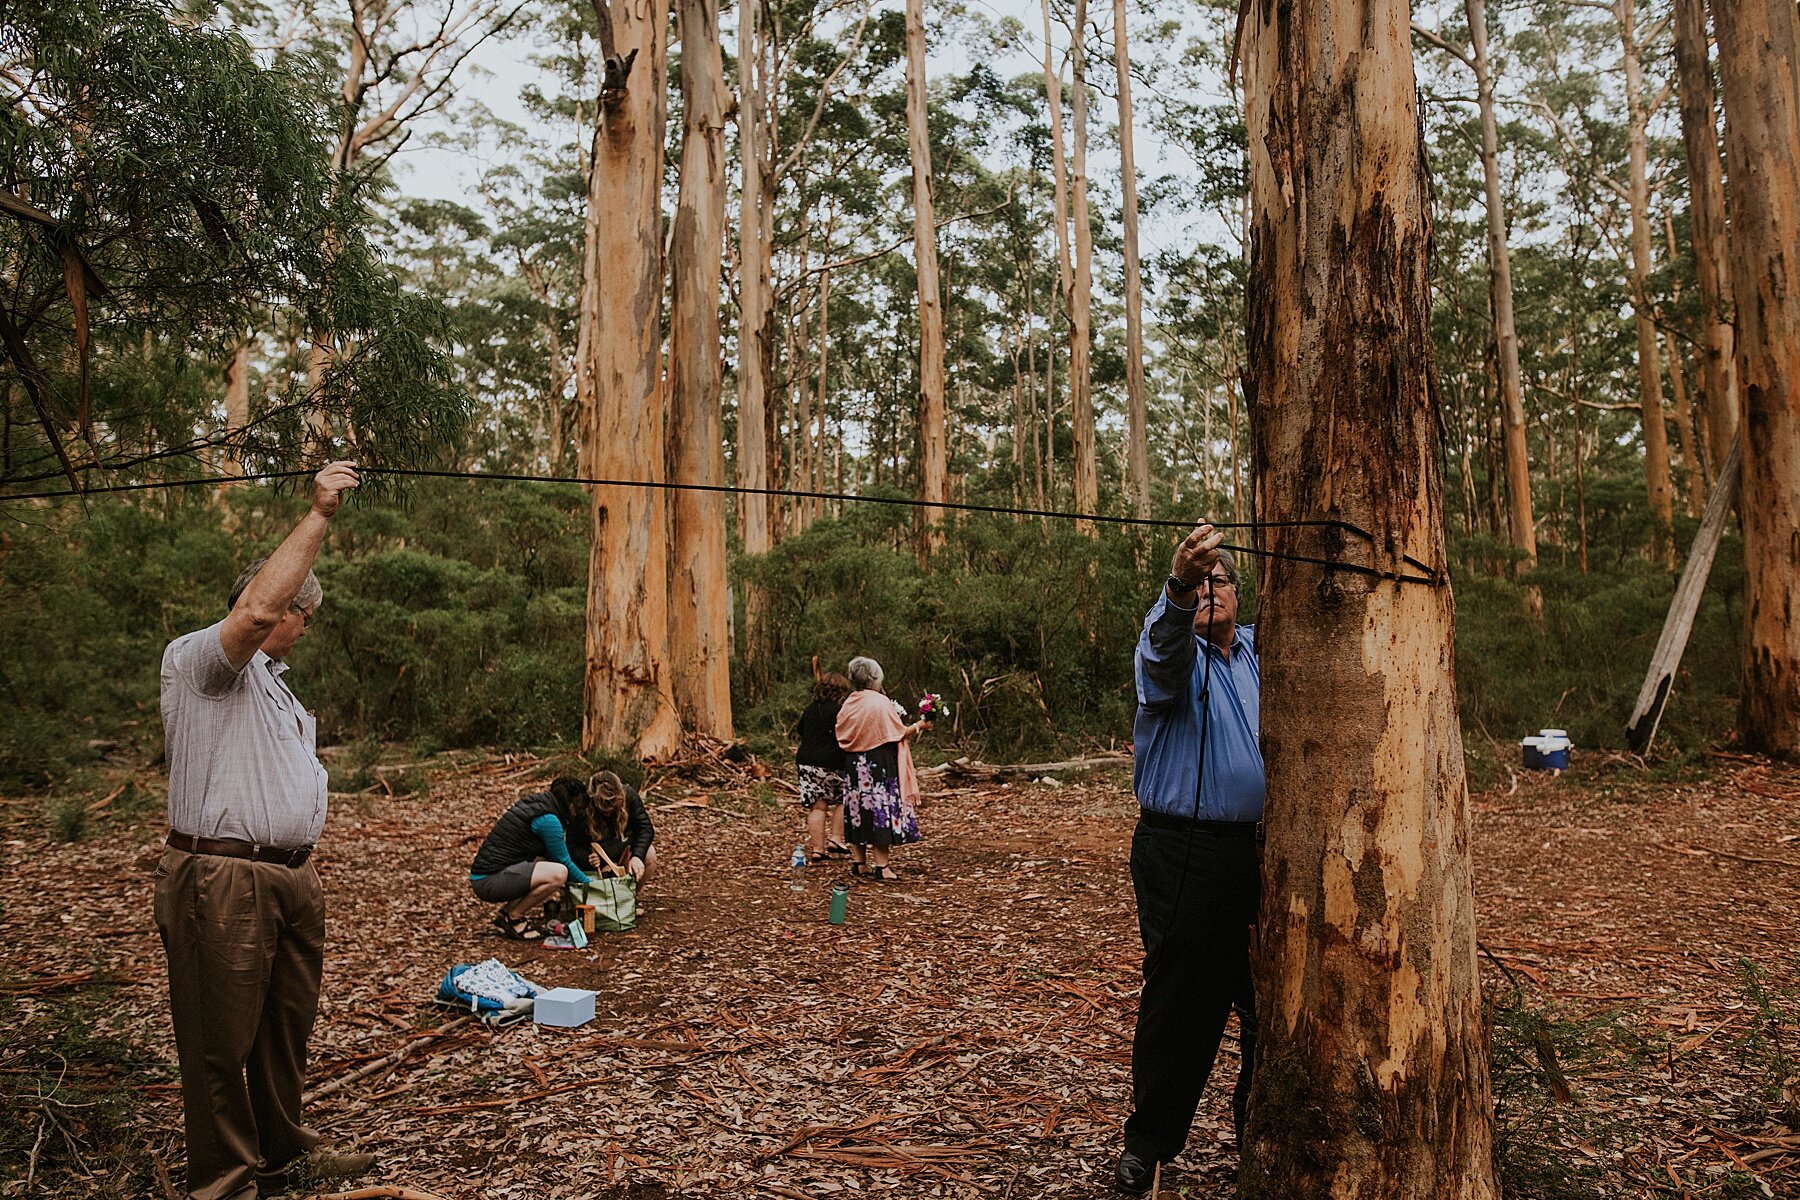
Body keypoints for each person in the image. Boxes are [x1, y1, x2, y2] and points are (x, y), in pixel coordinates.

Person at [154, 460, 375, 1200]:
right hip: (224, 880)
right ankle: (226, 1182)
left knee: (283, 1032)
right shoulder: (199, 663)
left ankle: (286, 1153)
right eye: (303, 613)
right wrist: (318, 517)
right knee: (220, 1043)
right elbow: (250, 615)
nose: (304, 628)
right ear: (281, 605)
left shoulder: (275, 688)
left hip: (290, 879)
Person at [1114, 524, 1264, 1195]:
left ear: (1239, 593)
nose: (1209, 591)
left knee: (1272, 1004)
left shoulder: (1262, 651)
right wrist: (1177, 582)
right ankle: (1149, 1146)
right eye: (1199, 583)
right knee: (1184, 1000)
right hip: (1183, 851)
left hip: (1262, 856)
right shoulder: (1170, 654)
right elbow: (1165, 644)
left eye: (1219, 580)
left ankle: (1259, 1141)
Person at [469, 776, 605, 939]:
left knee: (545, 864)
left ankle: (504, 914)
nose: (577, 813)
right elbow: (563, 861)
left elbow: (551, 856)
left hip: (489, 876)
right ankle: (514, 918)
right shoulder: (549, 819)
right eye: (578, 808)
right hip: (488, 880)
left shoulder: (539, 805)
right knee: (559, 873)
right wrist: (592, 886)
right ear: (570, 804)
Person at [835, 656, 928, 881]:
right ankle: (882, 866)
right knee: (880, 810)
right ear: (874, 678)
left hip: (854, 764)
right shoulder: (879, 702)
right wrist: (919, 726)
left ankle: (859, 863)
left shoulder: (849, 702)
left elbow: (840, 729)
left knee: (857, 811)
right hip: (877, 765)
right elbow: (896, 731)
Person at [794, 672, 854, 863]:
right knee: (844, 799)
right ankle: (835, 839)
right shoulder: (840, 711)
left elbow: (800, 730)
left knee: (817, 806)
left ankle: (818, 850)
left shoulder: (810, 709)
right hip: (833, 763)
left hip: (807, 762)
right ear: (840, 692)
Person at [583, 770, 657, 888]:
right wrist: (587, 857)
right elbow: (573, 844)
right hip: (601, 859)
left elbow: (645, 828)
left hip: (625, 848)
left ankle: (631, 896)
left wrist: (637, 856)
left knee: (650, 854)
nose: (607, 810)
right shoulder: (584, 805)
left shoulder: (629, 795)